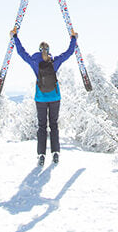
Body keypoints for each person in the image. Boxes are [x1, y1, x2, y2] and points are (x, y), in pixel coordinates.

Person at [10, 27, 78, 166]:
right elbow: (69, 52)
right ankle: (56, 153)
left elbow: (21, 52)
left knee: (42, 126)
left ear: (39, 50)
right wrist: (74, 38)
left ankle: (41, 155)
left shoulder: (35, 62)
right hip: (54, 97)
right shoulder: (54, 62)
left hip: (40, 98)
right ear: (48, 49)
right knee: (54, 125)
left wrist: (15, 37)